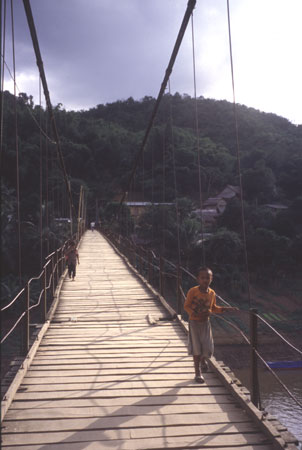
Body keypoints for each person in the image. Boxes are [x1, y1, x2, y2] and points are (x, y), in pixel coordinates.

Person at [184, 267, 238, 383]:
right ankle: (198, 373)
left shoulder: (212, 293)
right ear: (198, 279)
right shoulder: (193, 291)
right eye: (202, 278)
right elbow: (186, 306)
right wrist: (193, 313)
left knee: (208, 349)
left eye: (208, 278)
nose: (205, 280)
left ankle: (203, 360)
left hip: (205, 323)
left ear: (211, 279)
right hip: (194, 322)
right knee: (196, 348)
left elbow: (213, 308)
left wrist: (225, 309)